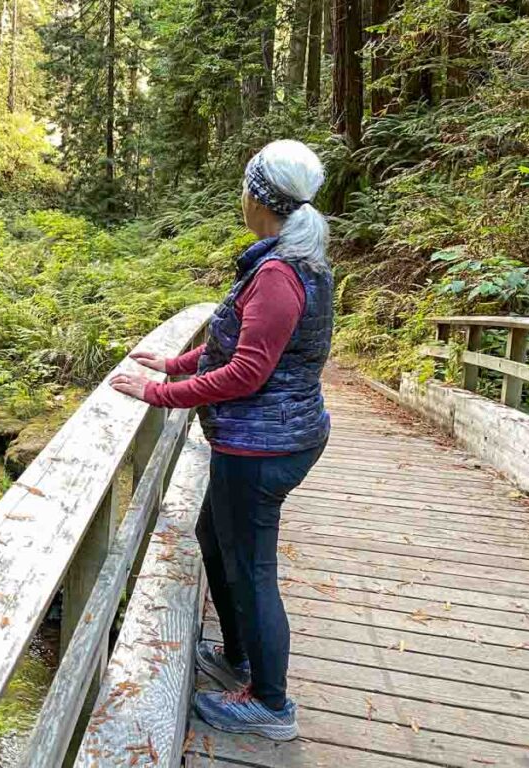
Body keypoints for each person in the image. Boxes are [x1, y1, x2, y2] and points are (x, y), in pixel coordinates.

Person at [109, 139, 333, 742]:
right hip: (270, 437)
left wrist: (155, 393)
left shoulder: (280, 276)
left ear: (259, 198)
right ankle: (237, 657)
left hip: (263, 447)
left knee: (253, 568)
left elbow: (244, 374)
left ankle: (271, 704)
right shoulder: (287, 260)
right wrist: (174, 363)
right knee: (215, 535)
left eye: (244, 186)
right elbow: (232, 347)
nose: (240, 195)